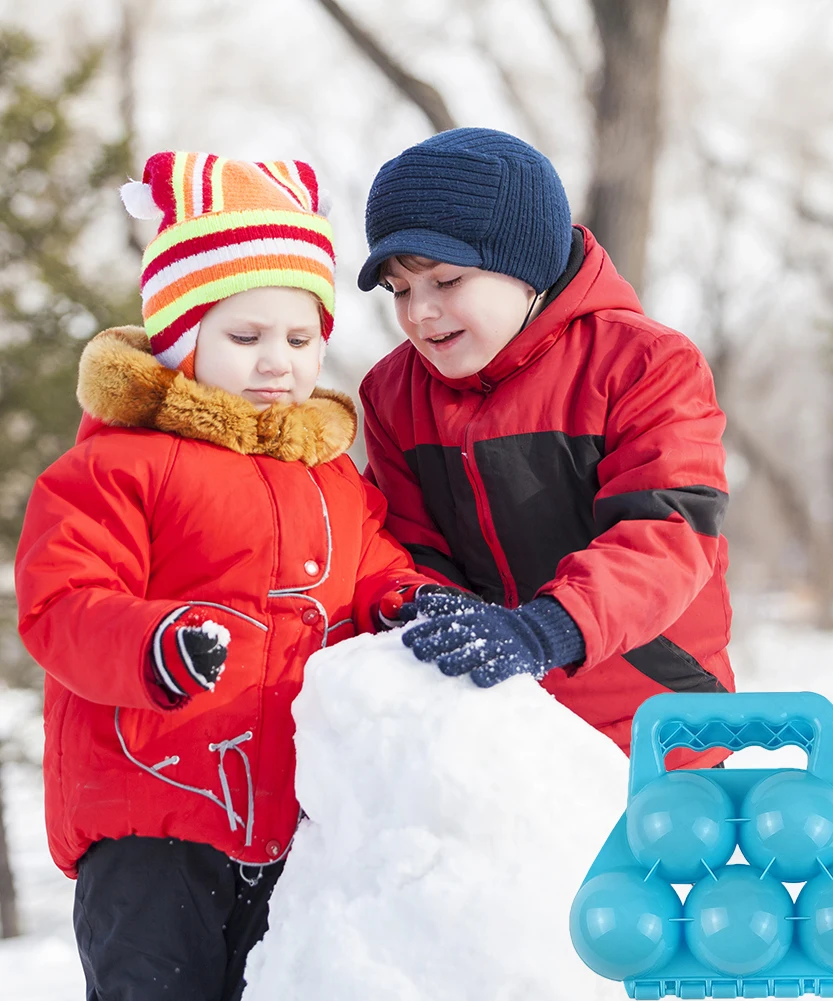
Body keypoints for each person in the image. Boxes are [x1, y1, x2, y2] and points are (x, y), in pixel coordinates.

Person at [14, 151, 433, 1001]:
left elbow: (372, 564)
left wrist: (409, 603)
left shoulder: (329, 475)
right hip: (149, 817)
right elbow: (62, 601)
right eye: (245, 338)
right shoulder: (120, 465)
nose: (277, 361)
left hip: (287, 825)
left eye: (300, 339)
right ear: (182, 340)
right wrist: (152, 644)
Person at [357, 128, 734, 767]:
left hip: (656, 723)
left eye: (446, 281)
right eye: (400, 290)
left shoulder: (642, 363)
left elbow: (666, 534)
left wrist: (548, 628)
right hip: (500, 731)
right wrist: (423, 606)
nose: (418, 312)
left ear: (526, 266)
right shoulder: (394, 394)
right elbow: (408, 548)